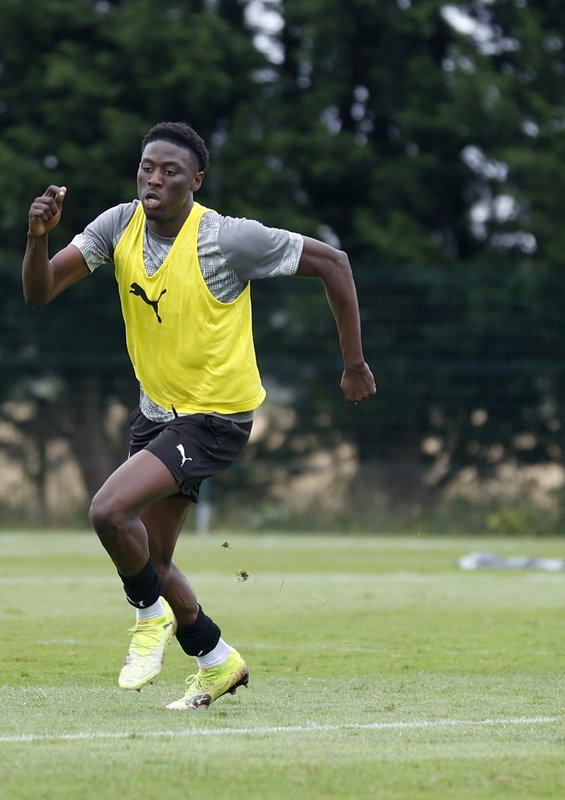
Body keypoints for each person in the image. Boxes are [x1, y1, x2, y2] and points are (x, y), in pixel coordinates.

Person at [22, 121, 376, 710]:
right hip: (157, 412)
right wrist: (37, 238)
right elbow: (40, 292)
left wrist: (354, 364)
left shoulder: (227, 240)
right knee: (151, 559)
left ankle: (148, 619)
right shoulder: (118, 225)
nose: (154, 179)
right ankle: (216, 660)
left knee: (109, 511)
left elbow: (334, 264)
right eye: (146, 168)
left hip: (216, 417)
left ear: (195, 181)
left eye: (170, 171)